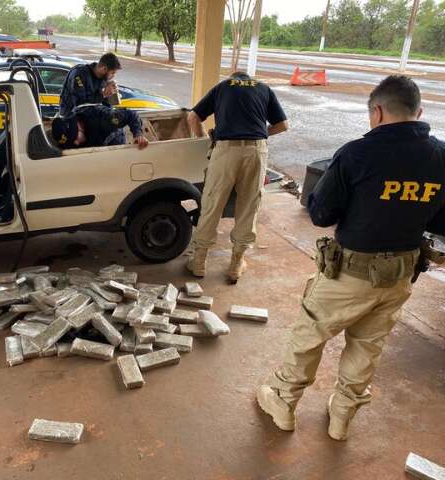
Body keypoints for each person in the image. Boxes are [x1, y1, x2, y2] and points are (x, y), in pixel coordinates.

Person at [257, 75, 445, 441]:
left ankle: (283, 402)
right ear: (418, 111)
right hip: (400, 275)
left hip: (350, 274)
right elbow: (441, 222)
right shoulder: (441, 156)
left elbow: (321, 214)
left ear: (376, 111)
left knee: (310, 335)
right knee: (367, 345)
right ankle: (342, 415)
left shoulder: (357, 153)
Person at [186, 72, 288, 283]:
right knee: (249, 206)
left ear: (234, 78)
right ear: (248, 79)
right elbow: (283, 125)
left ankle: (199, 262)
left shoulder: (222, 87)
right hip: (256, 151)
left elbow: (193, 116)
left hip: (225, 149)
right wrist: (260, 132)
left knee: (213, 203)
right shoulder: (264, 88)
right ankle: (236, 264)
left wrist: (204, 139)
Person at [51, 104, 148, 150]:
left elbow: (131, 115)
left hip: (113, 140)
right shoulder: (67, 134)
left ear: (79, 126)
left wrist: (138, 134)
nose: (76, 143)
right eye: (72, 141)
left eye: (75, 138)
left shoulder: (105, 119)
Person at [59, 53, 121, 117]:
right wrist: (104, 94)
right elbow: (80, 102)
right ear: (104, 69)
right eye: (112, 73)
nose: (113, 76)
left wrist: (111, 95)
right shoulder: (79, 74)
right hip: (71, 115)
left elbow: (104, 103)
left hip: (89, 114)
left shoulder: (102, 78)